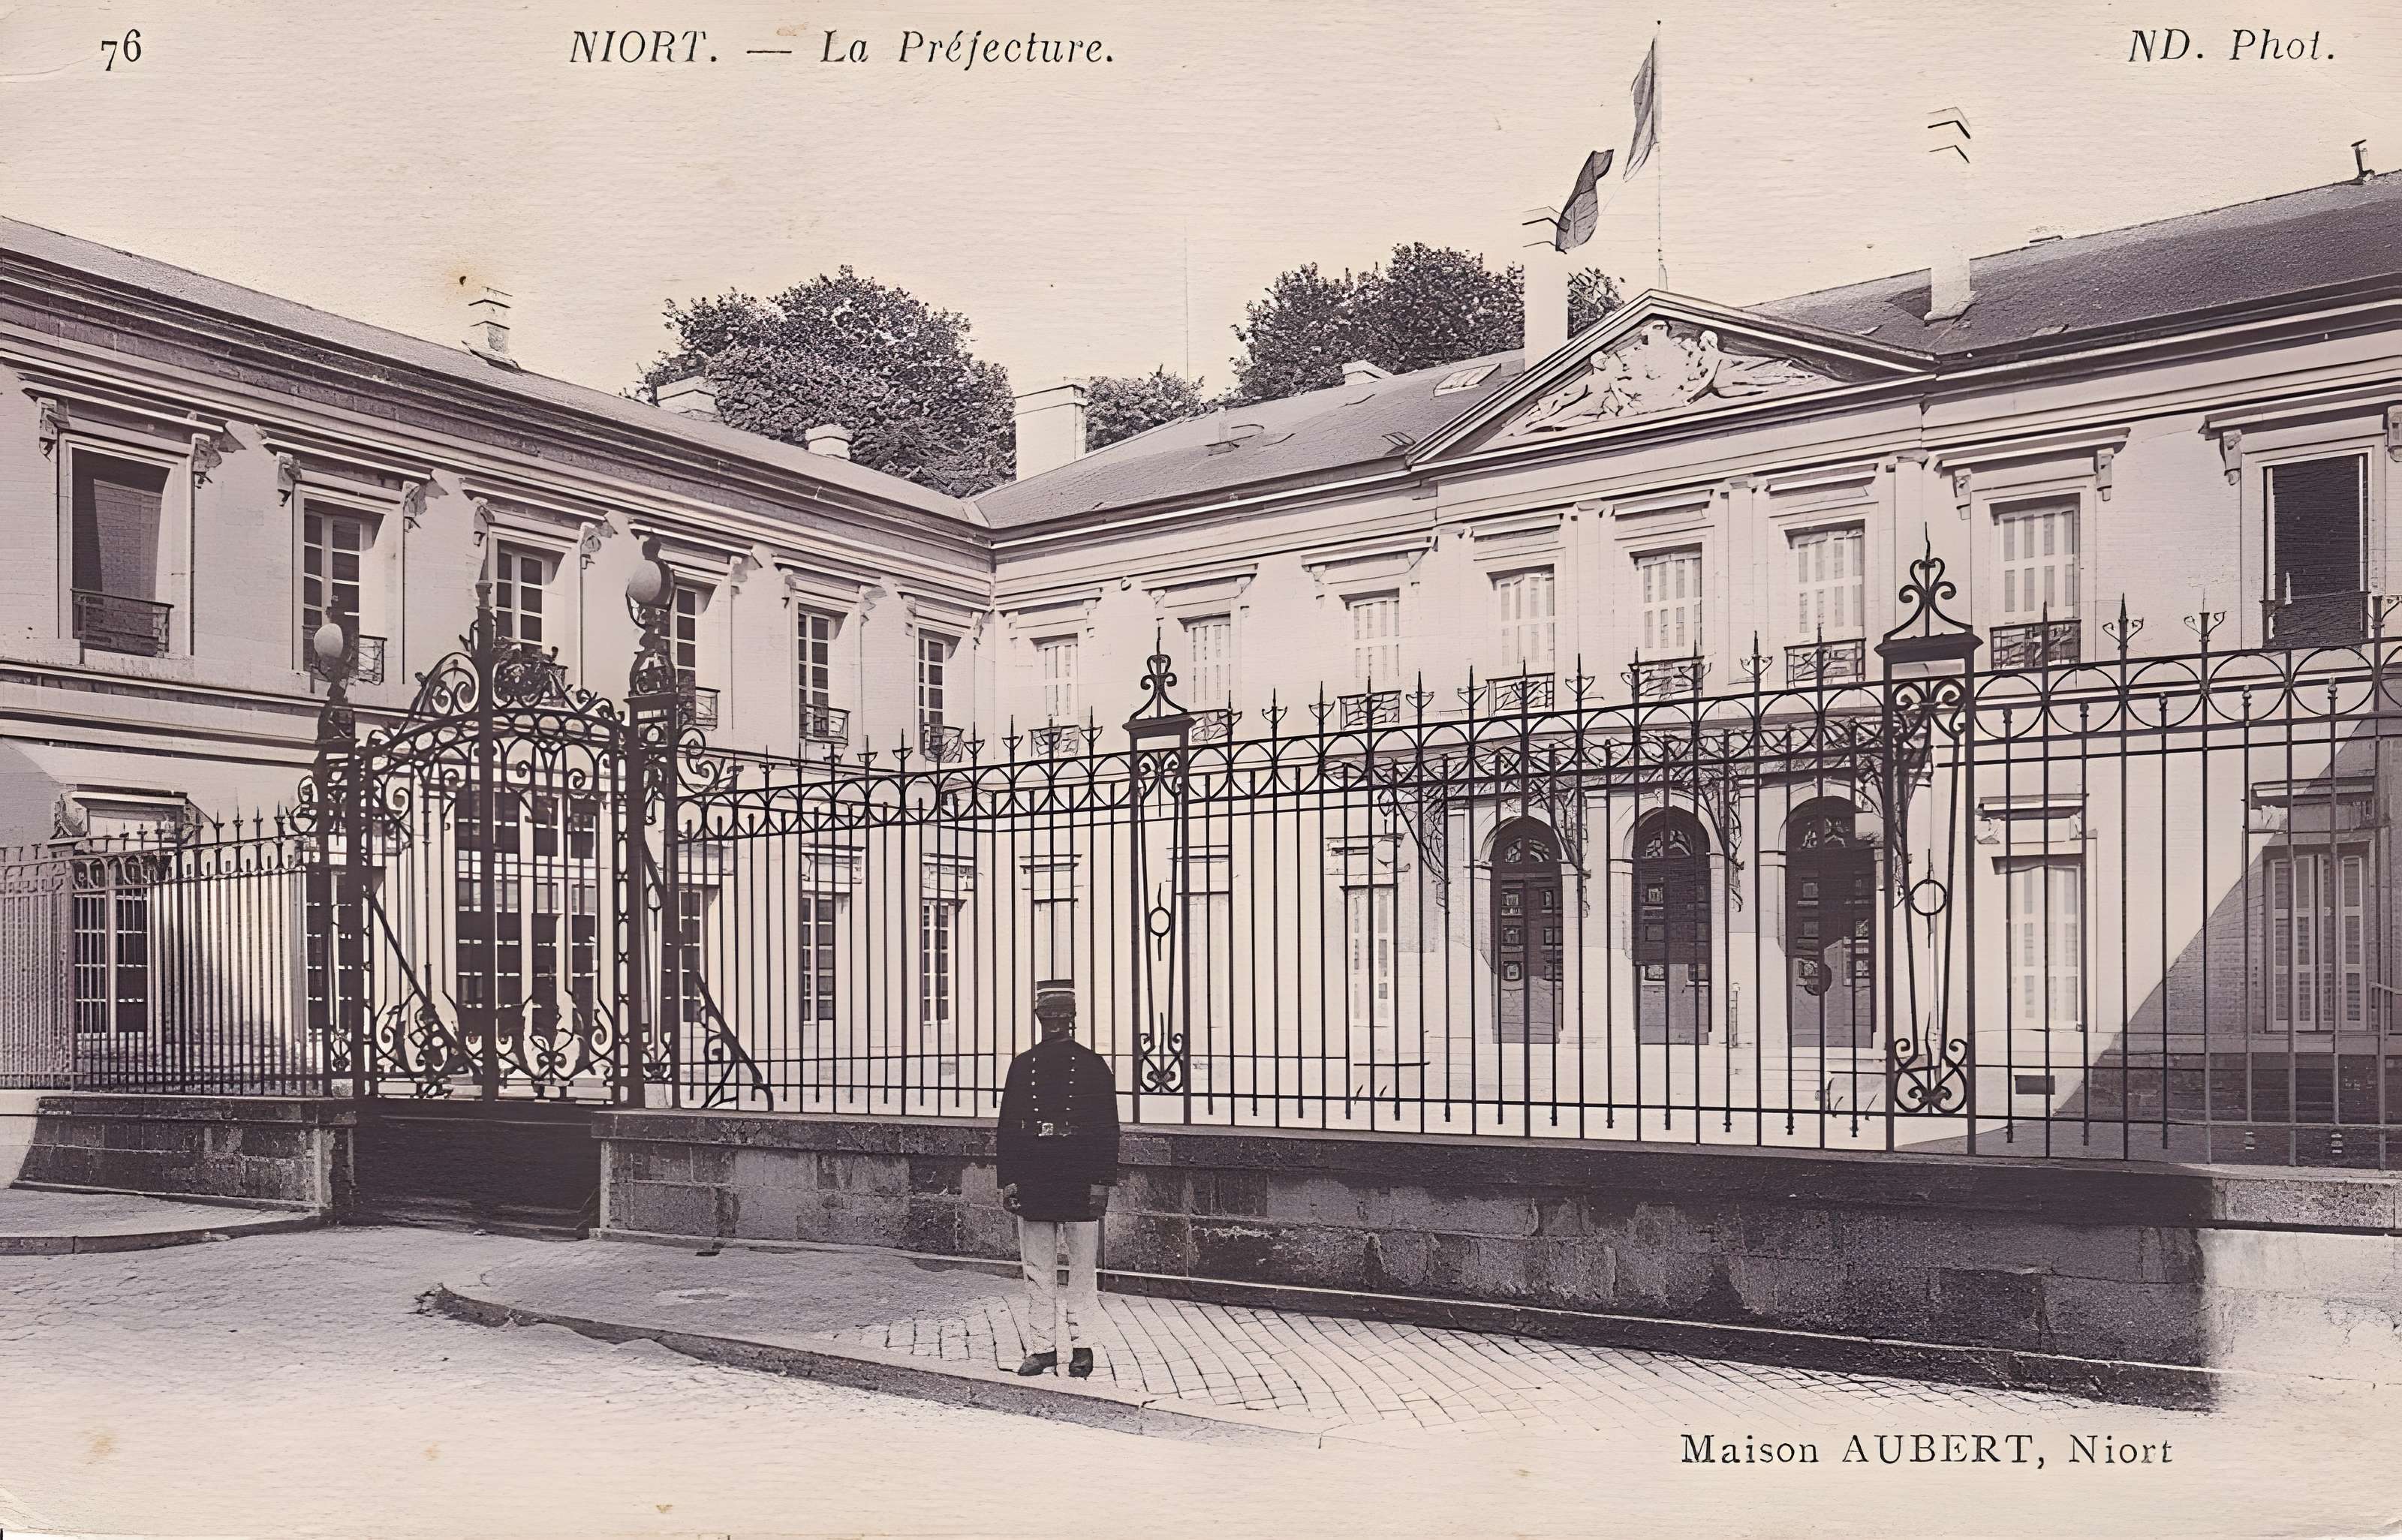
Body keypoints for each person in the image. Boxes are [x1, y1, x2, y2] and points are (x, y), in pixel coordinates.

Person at [995, 979, 1120, 1377]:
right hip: (1035, 1173)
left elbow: (1106, 1128)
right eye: (1048, 1017)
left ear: (1073, 1019)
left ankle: (1082, 1348)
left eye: (1062, 1017)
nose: (1055, 1024)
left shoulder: (1092, 1065)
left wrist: (1101, 1181)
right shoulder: (1022, 1064)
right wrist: (1009, 1179)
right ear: (1038, 1018)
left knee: (1083, 1269)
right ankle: (1042, 1348)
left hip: (1080, 1173)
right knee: (1037, 1268)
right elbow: (1008, 1126)